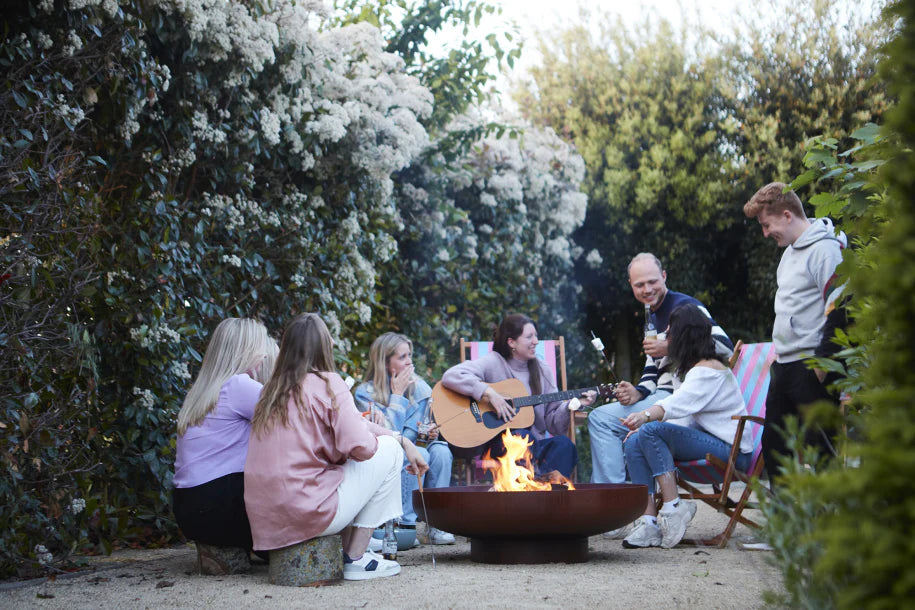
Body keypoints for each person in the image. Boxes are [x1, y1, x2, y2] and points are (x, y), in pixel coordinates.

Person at [243, 313, 428, 581]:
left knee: (385, 444)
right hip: (308, 513)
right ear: (323, 346)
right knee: (388, 450)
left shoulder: (269, 391)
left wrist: (401, 437)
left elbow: (357, 428)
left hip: (267, 521)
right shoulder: (329, 383)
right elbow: (362, 447)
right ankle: (356, 558)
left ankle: (353, 549)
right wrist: (396, 442)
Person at [588, 252, 734, 486]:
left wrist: (670, 345)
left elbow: (726, 348)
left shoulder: (686, 307)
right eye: (639, 284)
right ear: (631, 286)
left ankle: (612, 498)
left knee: (601, 420)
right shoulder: (651, 315)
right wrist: (638, 392)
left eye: (652, 281)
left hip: (680, 398)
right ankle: (625, 497)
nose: (647, 289)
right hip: (661, 394)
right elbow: (653, 366)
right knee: (602, 418)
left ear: (664, 276)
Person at [620, 303, 753, 549]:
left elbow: (675, 404)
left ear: (683, 336)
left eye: (670, 332)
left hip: (731, 453)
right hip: (705, 444)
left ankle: (674, 507)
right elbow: (680, 419)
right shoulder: (691, 369)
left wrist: (644, 416)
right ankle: (647, 521)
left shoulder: (709, 370)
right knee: (636, 440)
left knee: (648, 429)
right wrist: (641, 428)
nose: (666, 336)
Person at [743, 182, 847, 481]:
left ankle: (829, 521)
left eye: (767, 225)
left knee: (820, 449)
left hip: (813, 366)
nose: (765, 233)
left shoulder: (826, 250)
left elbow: (840, 308)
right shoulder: (788, 253)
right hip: (785, 365)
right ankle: (784, 522)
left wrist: (822, 366)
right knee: (775, 445)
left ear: (787, 215)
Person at [440, 313, 595, 477]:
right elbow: (452, 375)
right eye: (529, 337)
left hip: (533, 448)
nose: (536, 341)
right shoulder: (493, 362)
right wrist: (489, 394)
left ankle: (543, 485)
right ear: (511, 342)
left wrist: (572, 405)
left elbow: (553, 424)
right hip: (499, 447)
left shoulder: (543, 370)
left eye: (536, 336)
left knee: (565, 445)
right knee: (521, 436)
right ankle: (536, 483)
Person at [172, 318, 277, 557]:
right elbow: (295, 421)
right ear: (245, 351)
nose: (264, 355)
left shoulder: (202, 392)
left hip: (188, 507)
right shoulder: (239, 386)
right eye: (260, 347)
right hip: (219, 506)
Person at [354, 332, 456, 545]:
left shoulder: (421, 389)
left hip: (419, 448)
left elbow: (421, 431)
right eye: (402, 357)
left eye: (409, 355)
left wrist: (430, 433)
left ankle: (436, 525)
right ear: (384, 362)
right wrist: (397, 397)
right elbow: (389, 436)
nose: (410, 361)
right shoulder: (365, 394)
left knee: (441, 452)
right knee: (417, 453)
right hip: (388, 453)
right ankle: (405, 525)